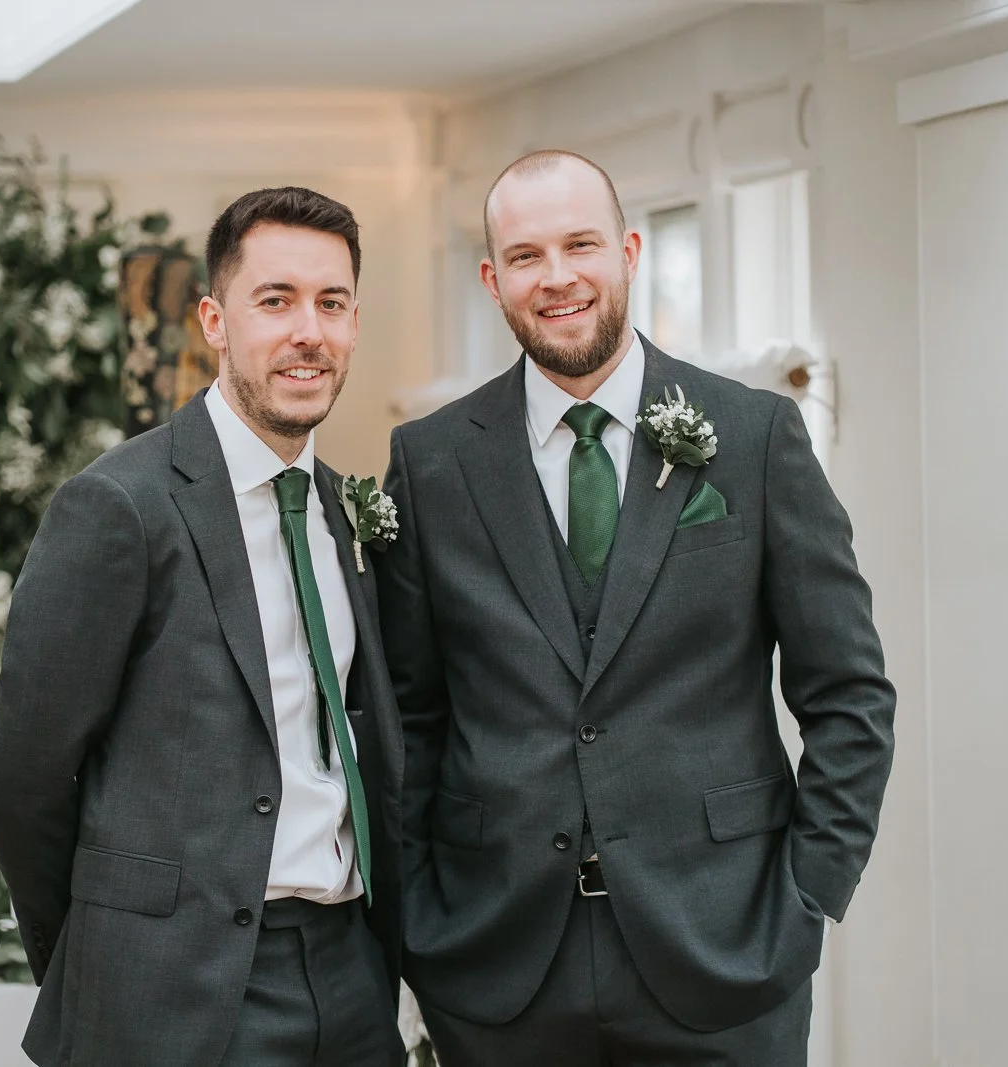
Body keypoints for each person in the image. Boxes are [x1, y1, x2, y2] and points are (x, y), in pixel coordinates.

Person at [377, 149, 895, 1065]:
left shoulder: (755, 436)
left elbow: (849, 693)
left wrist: (809, 894)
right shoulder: (430, 464)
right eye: (526, 256)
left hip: (726, 952)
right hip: (497, 969)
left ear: (628, 252)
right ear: (493, 279)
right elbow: (407, 717)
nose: (557, 276)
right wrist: (420, 915)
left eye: (580, 244)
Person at [0, 186, 406, 1067]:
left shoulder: (344, 509)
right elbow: (25, 778)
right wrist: (101, 964)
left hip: (350, 979)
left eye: (331, 304)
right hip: (175, 996)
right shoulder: (119, 506)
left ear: (355, 323)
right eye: (276, 300)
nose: (309, 332)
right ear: (215, 321)